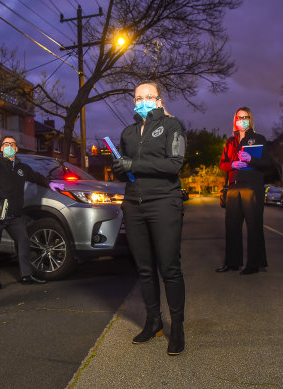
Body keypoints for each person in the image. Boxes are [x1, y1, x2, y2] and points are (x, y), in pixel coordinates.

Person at [112, 81, 187, 356]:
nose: (142, 101)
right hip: (134, 205)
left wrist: (134, 164)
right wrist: (120, 168)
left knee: (169, 268)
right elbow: (123, 170)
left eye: (148, 97)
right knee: (144, 270)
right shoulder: (128, 132)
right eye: (137, 97)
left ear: (158, 100)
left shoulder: (172, 126)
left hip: (164, 202)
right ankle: (153, 321)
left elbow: (174, 164)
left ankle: (176, 328)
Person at [0, 136, 65, 289]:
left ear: (16, 148)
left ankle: (26, 276)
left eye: (12, 144)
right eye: (6, 144)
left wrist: (50, 183)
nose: (9, 146)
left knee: (24, 242)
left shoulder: (22, 168)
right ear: (1, 148)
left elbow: (36, 177)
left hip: (15, 216)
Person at [216, 107, 270, 275]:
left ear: (250, 119)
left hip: (252, 188)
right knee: (231, 227)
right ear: (235, 120)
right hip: (234, 187)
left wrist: (251, 159)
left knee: (254, 227)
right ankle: (232, 262)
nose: (242, 120)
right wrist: (232, 164)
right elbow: (222, 163)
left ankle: (254, 264)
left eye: (245, 117)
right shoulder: (231, 141)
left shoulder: (259, 139)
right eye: (239, 117)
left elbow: (268, 163)